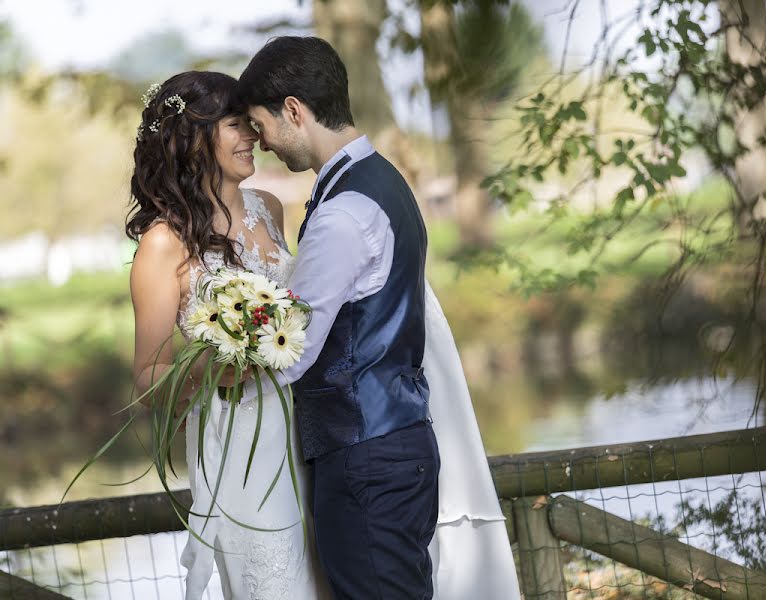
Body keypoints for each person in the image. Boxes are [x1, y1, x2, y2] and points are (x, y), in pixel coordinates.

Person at [237, 36, 520, 600]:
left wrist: (221, 357)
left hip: (364, 456)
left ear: (293, 110)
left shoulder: (343, 212)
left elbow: (292, 347)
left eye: (259, 123)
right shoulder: (379, 181)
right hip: (393, 445)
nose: (261, 142)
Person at [126, 71, 330, 599]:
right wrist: (219, 362)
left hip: (310, 429)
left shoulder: (271, 208)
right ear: (191, 138)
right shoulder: (162, 246)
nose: (254, 137)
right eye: (236, 125)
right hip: (241, 444)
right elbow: (148, 378)